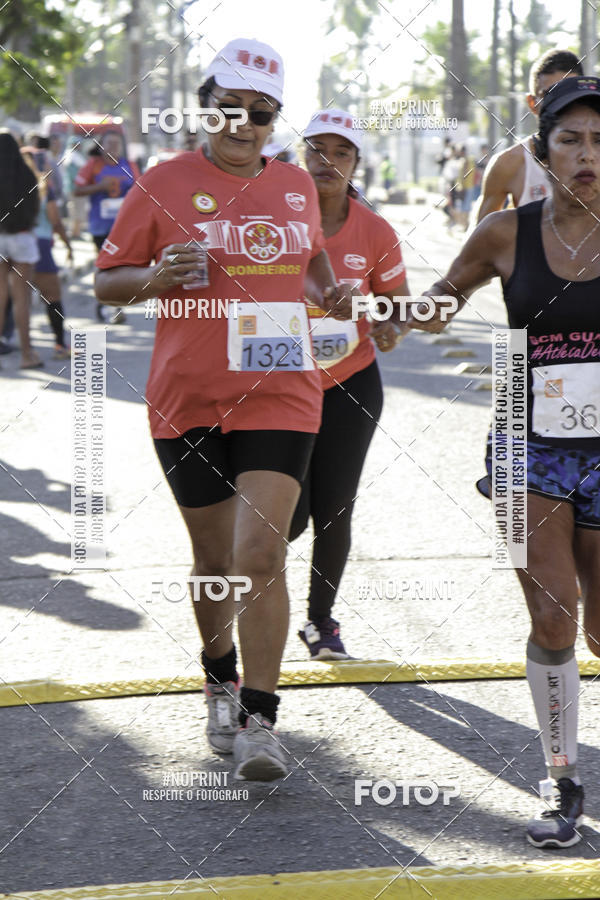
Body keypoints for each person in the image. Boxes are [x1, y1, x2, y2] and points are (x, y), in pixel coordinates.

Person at [94, 38, 355, 782]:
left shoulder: (298, 186)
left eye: (263, 115)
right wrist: (158, 277)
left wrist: (328, 294)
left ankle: (263, 721)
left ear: (277, 119)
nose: (245, 125)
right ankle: (219, 677)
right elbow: (108, 284)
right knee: (213, 563)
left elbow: (310, 262)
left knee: (260, 556)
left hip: (281, 388)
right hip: (189, 396)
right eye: (231, 109)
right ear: (205, 106)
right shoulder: (163, 181)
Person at [406, 75, 600, 848]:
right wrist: (385, 312)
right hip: (528, 443)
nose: (589, 155)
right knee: (552, 615)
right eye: (572, 139)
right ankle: (562, 782)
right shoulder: (504, 233)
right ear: (541, 152)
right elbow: (438, 297)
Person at [290, 109, 409, 659]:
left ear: (355, 163)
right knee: (283, 514)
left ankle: (321, 622)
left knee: (334, 508)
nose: (327, 161)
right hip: (278, 385)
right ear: (299, 155)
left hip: (352, 382)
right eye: (317, 149)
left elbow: (397, 304)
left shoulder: (375, 229)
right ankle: (251, 600)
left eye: (341, 153)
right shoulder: (275, 220)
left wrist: (390, 327)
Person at [476, 49, 583, 222]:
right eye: (549, 95)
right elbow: (480, 241)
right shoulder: (509, 164)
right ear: (532, 103)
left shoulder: (594, 160)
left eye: (567, 94)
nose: (560, 104)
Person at [75, 130, 140, 323]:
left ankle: (115, 307)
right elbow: (77, 190)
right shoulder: (92, 166)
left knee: (120, 266)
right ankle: (105, 305)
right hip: (100, 227)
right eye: (109, 143)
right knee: (106, 266)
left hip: (124, 226)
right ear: (102, 146)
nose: (113, 147)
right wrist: (99, 187)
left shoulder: (129, 165)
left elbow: (142, 189)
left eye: (116, 144)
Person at [22, 150, 73, 358]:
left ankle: (22, 348)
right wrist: (68, 245)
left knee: (14, 299)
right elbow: (55, 221)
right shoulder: (42, 186)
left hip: (9, 249)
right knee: (52, 297)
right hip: (40, 246)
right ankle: (60, 346)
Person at [0, 132, 41, 369]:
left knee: (1, 296)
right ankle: (27, 354)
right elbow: (35, 207)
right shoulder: (25, 174)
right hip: (22, 237)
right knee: (21, 299)